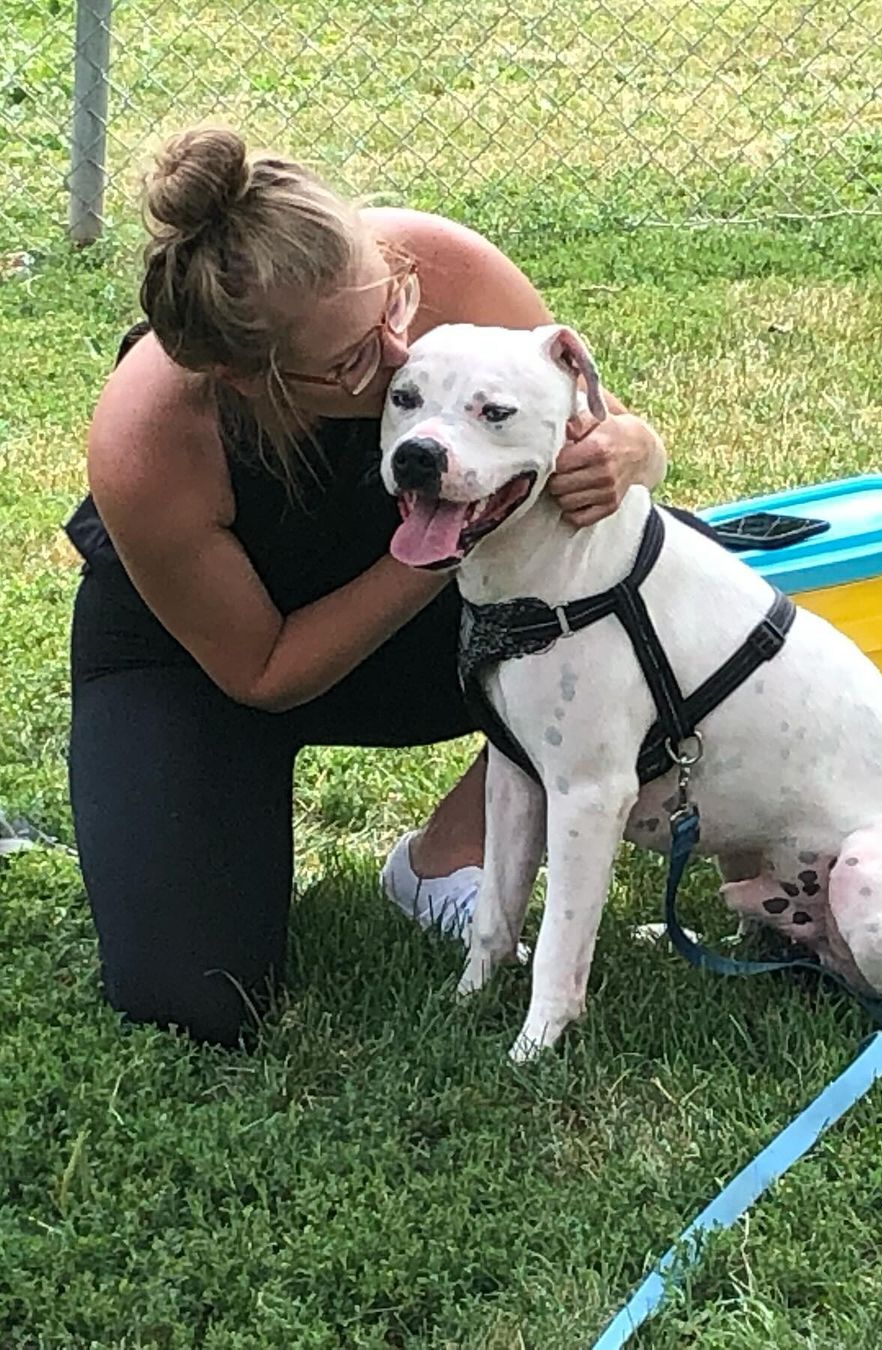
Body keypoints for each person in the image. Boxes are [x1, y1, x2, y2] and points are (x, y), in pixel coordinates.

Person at [65, 126, 667, 1048]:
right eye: (351, 361)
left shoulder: (445, 266)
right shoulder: (151, 433)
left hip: (434, 611)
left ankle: (442, 860)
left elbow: (584, 438)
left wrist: (634, 448)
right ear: (238, 376)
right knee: (193, 997)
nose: (397, 357)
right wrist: (431, 551)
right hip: (211, 665)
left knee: (659, 618)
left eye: (396, 304)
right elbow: (263, 672)